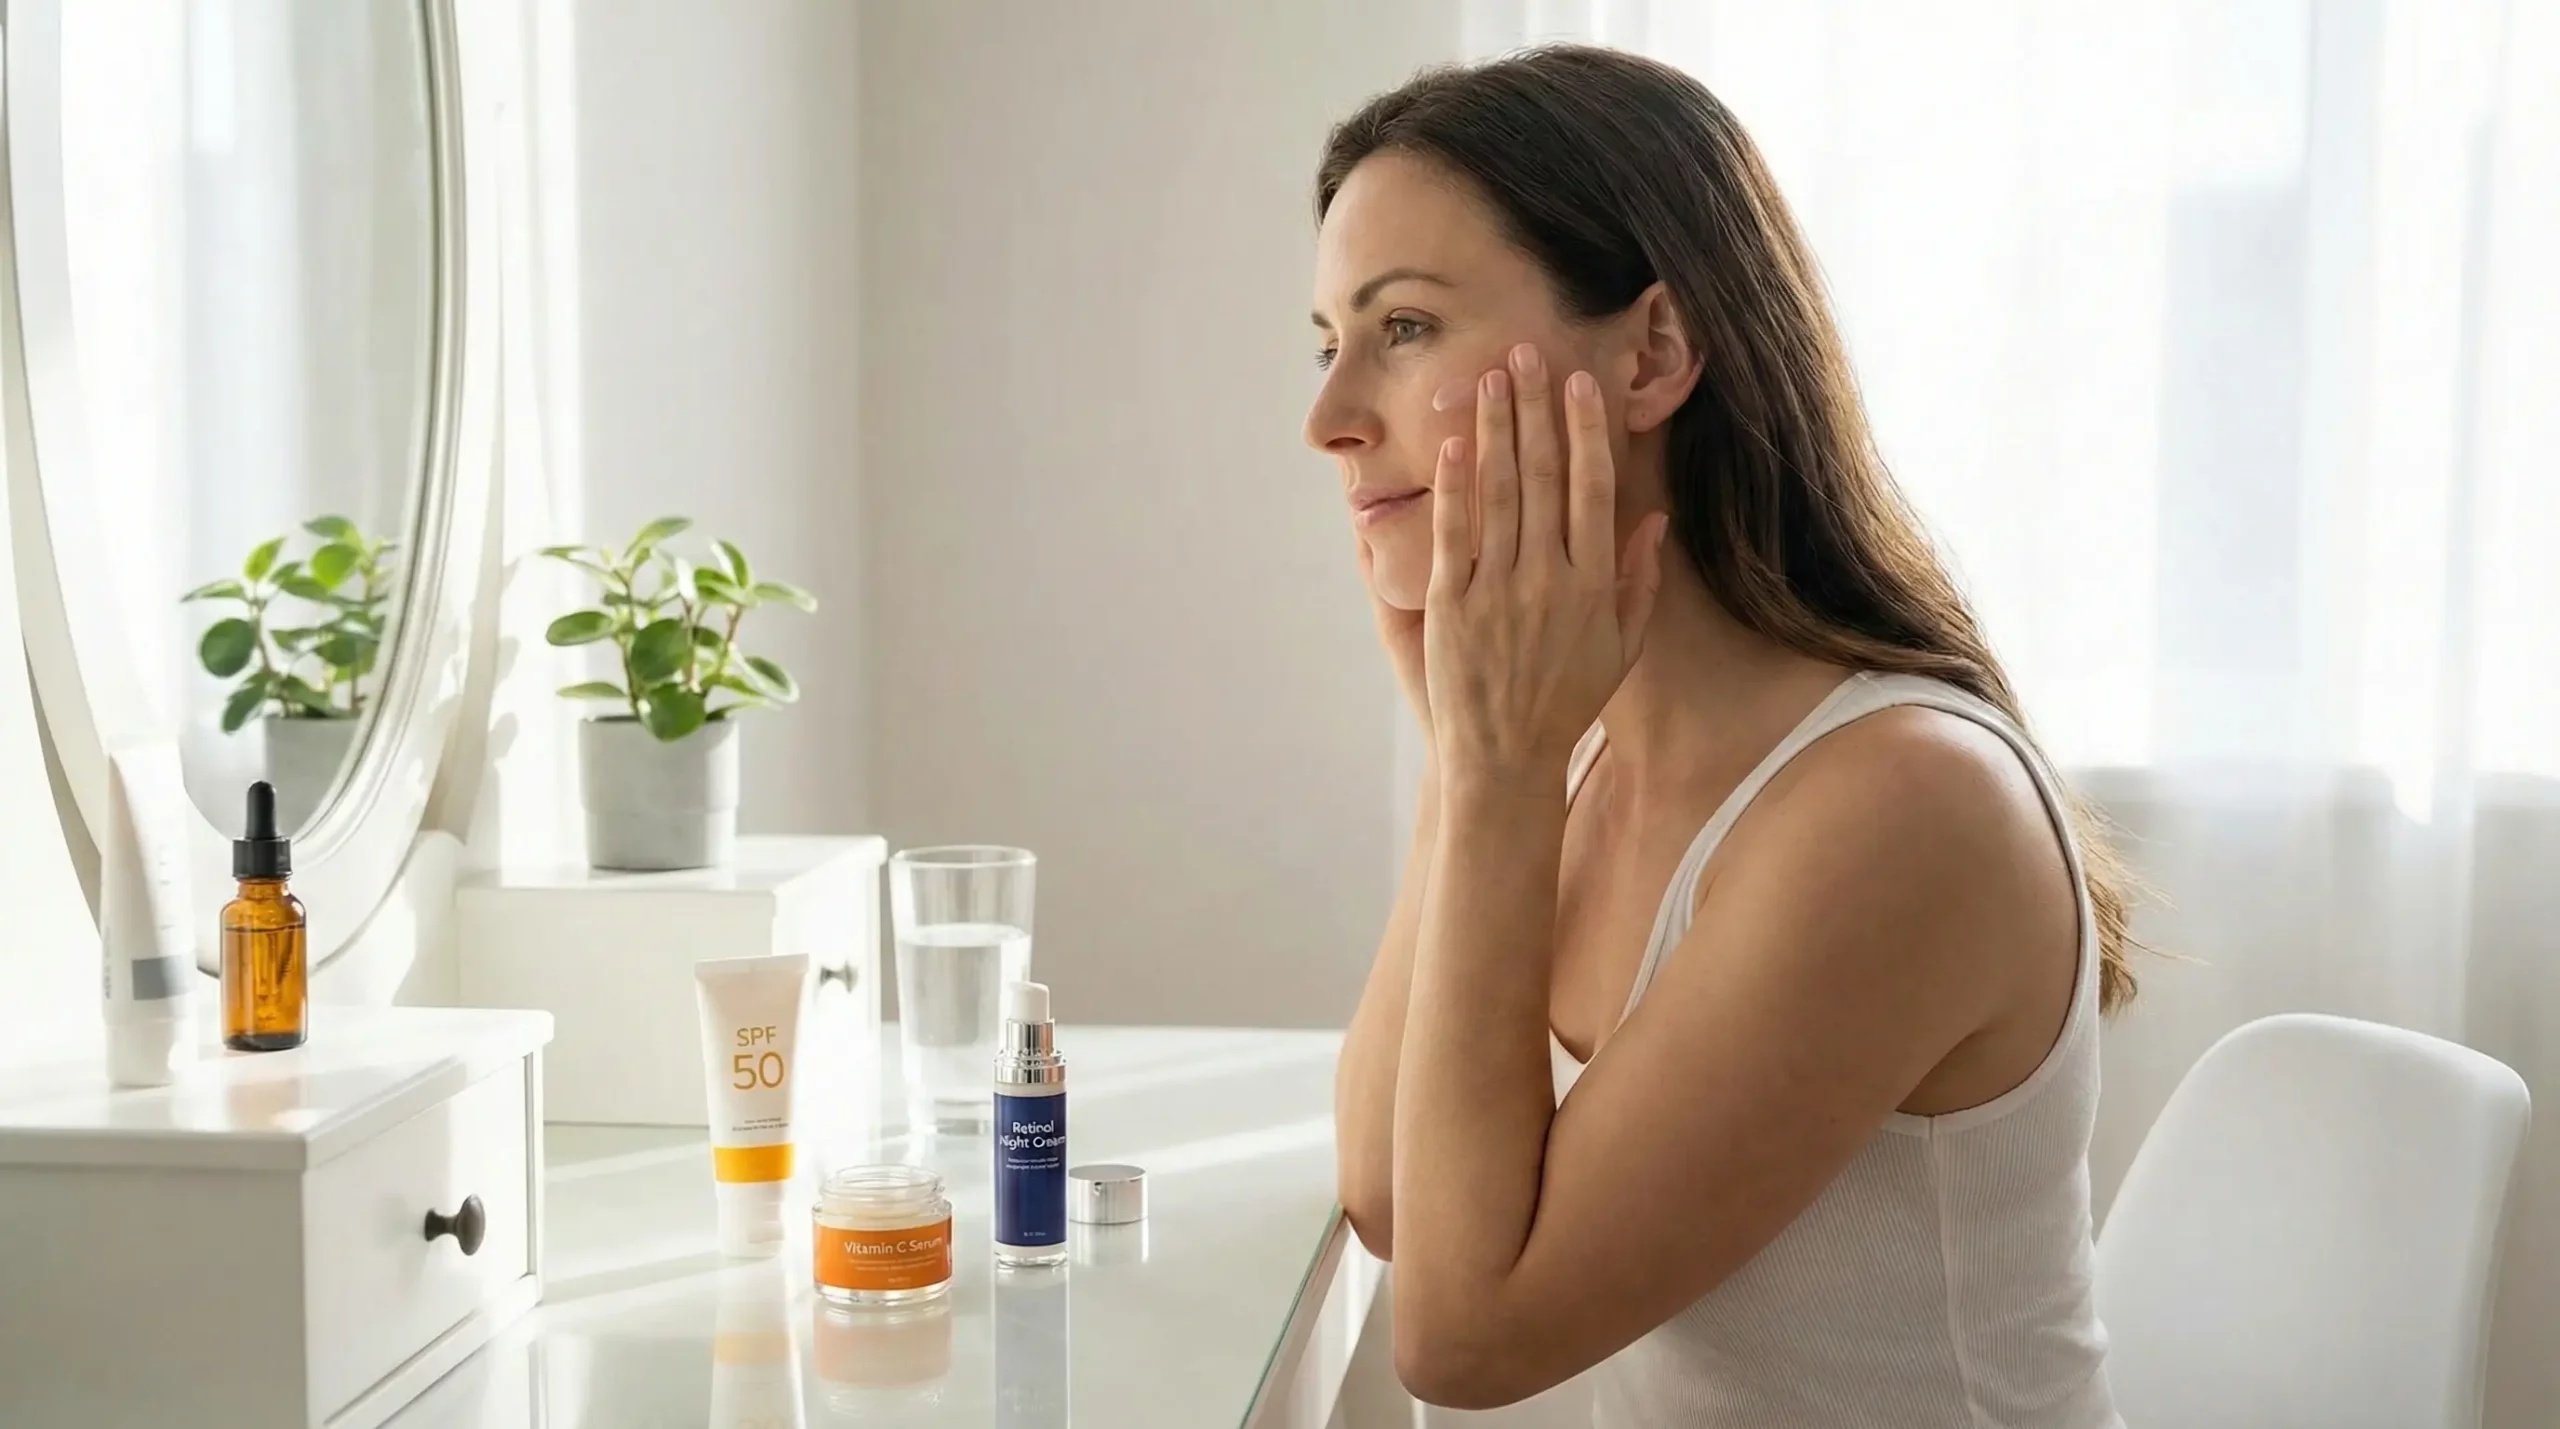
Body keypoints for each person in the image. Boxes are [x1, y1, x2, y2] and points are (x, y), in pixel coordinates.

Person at [1306, 45, 2137, 1427]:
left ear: (1654, 354)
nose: (1328, 420)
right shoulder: (1575, 755)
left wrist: (1500, 778)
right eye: (1329, 342)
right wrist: (1468, 763)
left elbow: (1464, 1340)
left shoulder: (1904, 807)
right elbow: (1392, 1196)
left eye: (1403, 329)